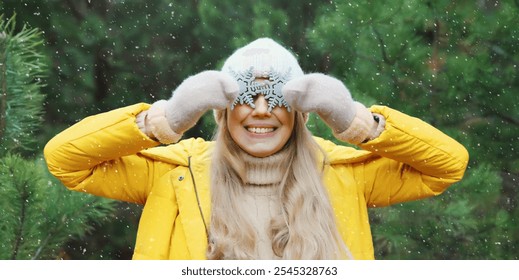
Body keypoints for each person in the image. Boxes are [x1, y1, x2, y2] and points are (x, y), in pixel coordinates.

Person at [44, 38, 469, 260]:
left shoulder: (346, 172)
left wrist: (359, 124)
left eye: (279, 99)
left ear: (302, 111)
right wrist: (164, 121)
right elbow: (65, 160)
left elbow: (447, 165)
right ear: (221, 111)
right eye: (245, 97)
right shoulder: (172, 172)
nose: (261, 112)